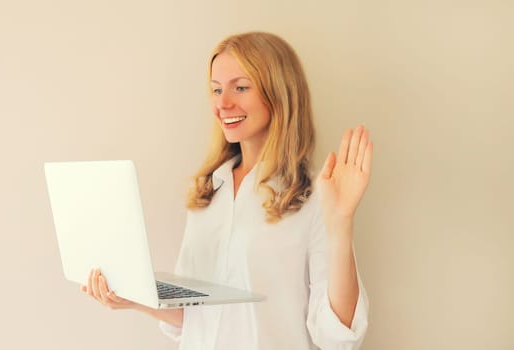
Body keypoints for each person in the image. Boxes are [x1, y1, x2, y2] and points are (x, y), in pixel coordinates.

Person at [81, 31, 372, 350]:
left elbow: (338, 337)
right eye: (216, 90)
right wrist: (133, 298)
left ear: (279, 94)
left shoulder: (313, 198)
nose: (222, 103)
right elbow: (195, 315)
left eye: (241, 87)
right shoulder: (207, 191)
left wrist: (342, 222)